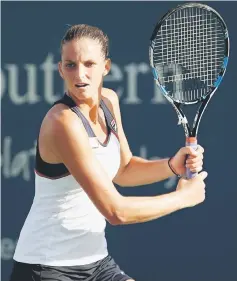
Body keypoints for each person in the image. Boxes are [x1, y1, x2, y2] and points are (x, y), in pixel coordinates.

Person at [10, 24, 207, 281]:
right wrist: (182, 198)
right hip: (47, 267)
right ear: (60, 69)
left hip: (97, 263)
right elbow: (116, 212)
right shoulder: (62, 122)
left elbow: (124, 170)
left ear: (106, 66)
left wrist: (171, 165)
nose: (80, 74)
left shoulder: (109, 101)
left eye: (89, 64)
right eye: (70, 65)